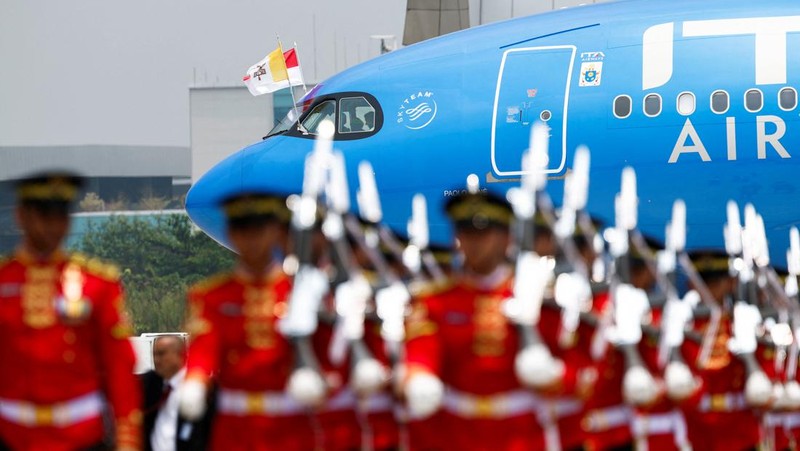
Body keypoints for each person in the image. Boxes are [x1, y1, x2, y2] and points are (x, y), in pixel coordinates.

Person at [0, 171, 141, 450]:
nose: (52, 227)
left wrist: (127, 438)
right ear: (22, 216)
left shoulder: (97, 285)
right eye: (44, 216)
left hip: (82, 435)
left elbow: (119, 366)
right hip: (12, 435)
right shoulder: (4, 282)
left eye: (60, 217)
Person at [403, 188, 546, 450]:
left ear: (505, 238)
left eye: (484, 233)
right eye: (466, 233)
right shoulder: (436, 300)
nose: (474, 242)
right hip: (456, 433)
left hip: (520, 434)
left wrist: (551, 373)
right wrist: (418, 377)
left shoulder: (537, 294)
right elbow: (422, 349)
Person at [179, 190, 319, 451]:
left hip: (290, 426)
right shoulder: (211, 296)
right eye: (242, 229)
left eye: (259, 229)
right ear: (231, 233)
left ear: (276, 231)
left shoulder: (302, 291)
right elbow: (204, 347)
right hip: (234, 429)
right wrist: (196, 379)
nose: (251, 238)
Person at [142, 335, 209, 451]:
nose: (156, 360)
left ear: (180, 355)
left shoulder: (197, 387)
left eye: (162, 354)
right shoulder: (150, 384)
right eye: (154, 355)